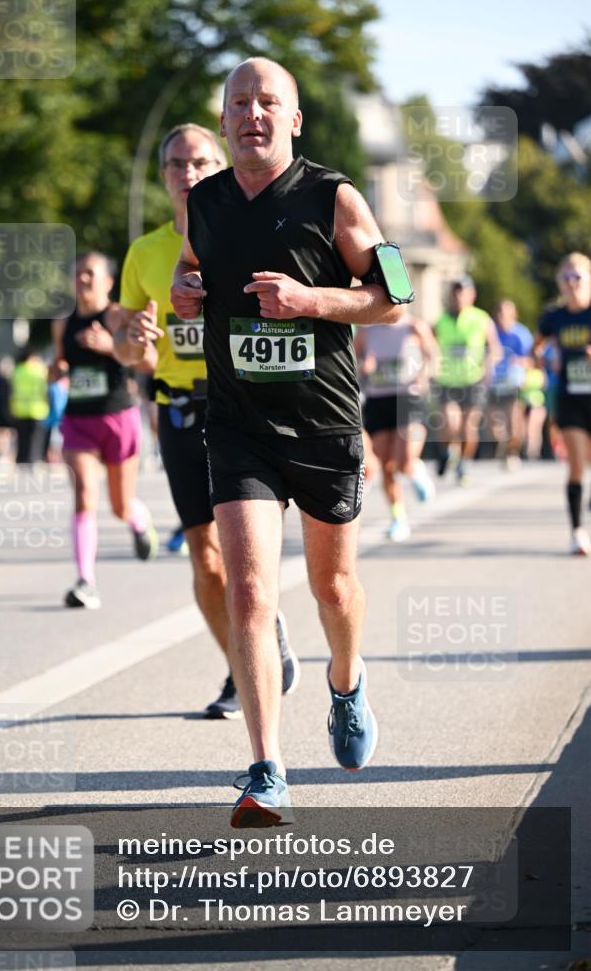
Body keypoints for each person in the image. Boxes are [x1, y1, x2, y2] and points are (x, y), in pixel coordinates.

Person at [171, 58, 400, 826]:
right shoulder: (199, 201)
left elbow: (392, 296)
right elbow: (192, 266)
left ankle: (345, 679)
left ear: (293, 120)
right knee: (248, 592)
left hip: (323, 425)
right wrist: (183, 288)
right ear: (226, 116)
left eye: (268, 102)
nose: (252, 113)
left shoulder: (334, 197)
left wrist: (311, 300)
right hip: (238, 427)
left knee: (331, 591)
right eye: (238, 101)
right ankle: (266, 770)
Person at [113, 122, 299, 718]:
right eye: (175, 165)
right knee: (203, 552)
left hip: (240, 406)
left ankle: (264, 632)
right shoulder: (144, 254)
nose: (186, 173)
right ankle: (241, 668)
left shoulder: (248, 235)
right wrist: (132, 340)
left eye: (198, 162)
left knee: (243, 551)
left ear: (218, 164)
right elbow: (129, 350)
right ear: (163, 175)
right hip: (178, 407)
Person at [52, 251, 158, 609]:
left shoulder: (116, 316)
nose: (82, 279)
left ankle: (139, 522)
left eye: (90, 274)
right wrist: (58, 370)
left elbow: (149, 361)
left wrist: (109, 346)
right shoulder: (61, 323)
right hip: (78, 419)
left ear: (109, 283)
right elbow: (62, 362)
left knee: (119, 504)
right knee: (84, 492)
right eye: (78, 272)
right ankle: (86, 580)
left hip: (117, 418)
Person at [356, 315, 438, 542]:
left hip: (407, 397)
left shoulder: (414, 326)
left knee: (405, 459)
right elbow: (352, 364)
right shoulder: (365, 330)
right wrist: (364, 366)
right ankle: (398, 518)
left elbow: (433, 354)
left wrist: (423, 376)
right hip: (378, 400)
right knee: (387, 465)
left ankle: (415, 469)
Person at [536, 252, 591, 555]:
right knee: (576, 465)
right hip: (570, 398)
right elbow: (536, 347)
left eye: (577, 277)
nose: (571, 284)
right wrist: (546, 359)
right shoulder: (554, 317)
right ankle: (577, 532)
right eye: (566, 278)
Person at [433, 276, 502, 485]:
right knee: (450, 423)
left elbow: (495, 349)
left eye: (463, 292)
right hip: (448, 380)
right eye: (455, 292)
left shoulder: (482, 319)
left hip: (474, 380)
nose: (459, 296)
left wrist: (488, 368)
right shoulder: (441, 320)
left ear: (472, 295)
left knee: (468, 426)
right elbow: (431, 346)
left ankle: (464, 463)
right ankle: (446, 452)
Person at [488, 299, 533, 469]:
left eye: (505, 313)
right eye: (499, 313)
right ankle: (501, 444)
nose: (502, 317)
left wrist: (520, 363)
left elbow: (532, 359)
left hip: (513, 382)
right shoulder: (492, 332)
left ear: (513, 314)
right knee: (493, 423)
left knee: (513, 422)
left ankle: (512, 452)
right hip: (494, 382)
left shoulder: (521, 333)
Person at [9, 347, 49, 463]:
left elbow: (11, 390)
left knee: (22, 439)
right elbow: (46, 389)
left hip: (20, 410)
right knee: (36, 440)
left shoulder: (17, 371)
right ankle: (34, 460)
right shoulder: (40, 370)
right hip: (38, 410)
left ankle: (21, 461)